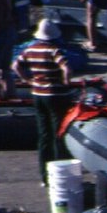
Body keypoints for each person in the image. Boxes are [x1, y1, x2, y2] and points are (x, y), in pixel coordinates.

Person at [12, 17, 73, 184]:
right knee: (58, 134)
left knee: (44, 135)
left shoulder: (30, 50)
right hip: (55, 94)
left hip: (37, 94)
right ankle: (59, 172)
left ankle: (44, 176)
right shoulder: (54, 50)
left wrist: (27, 80)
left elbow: (15, 66)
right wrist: (66, 81)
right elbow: (66, 68)